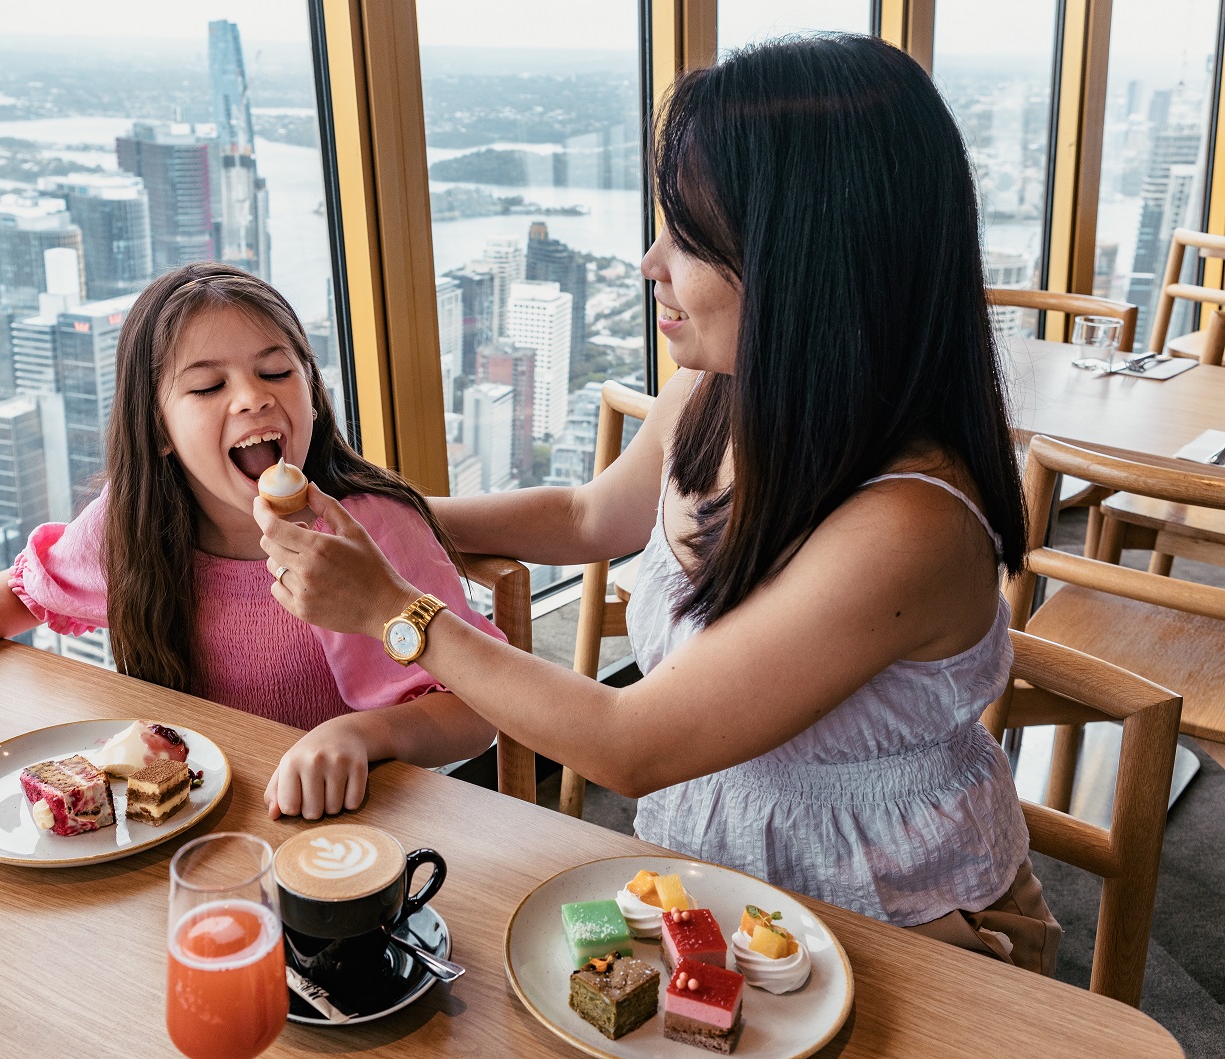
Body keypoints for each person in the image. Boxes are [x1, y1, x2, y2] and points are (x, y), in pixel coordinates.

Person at [254, 35, 1060, 972]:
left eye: (690, 237)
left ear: (808, 259)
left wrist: (395, 611)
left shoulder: (911, 526)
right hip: (730, 893)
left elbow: (628, 744)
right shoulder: (721, 392)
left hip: (908, 931)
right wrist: (385, 513)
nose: (650, 262)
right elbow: (587, 517)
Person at [0, 263, 504, 821]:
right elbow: (16, 594)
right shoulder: (134, 526)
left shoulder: (371, 530)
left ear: (311, 392)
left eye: (276, 371)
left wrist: (364, 736)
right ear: (159, 429)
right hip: (195, 830)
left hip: (356, 840)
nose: (252, 396)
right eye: (207, 386)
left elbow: (476, 711)